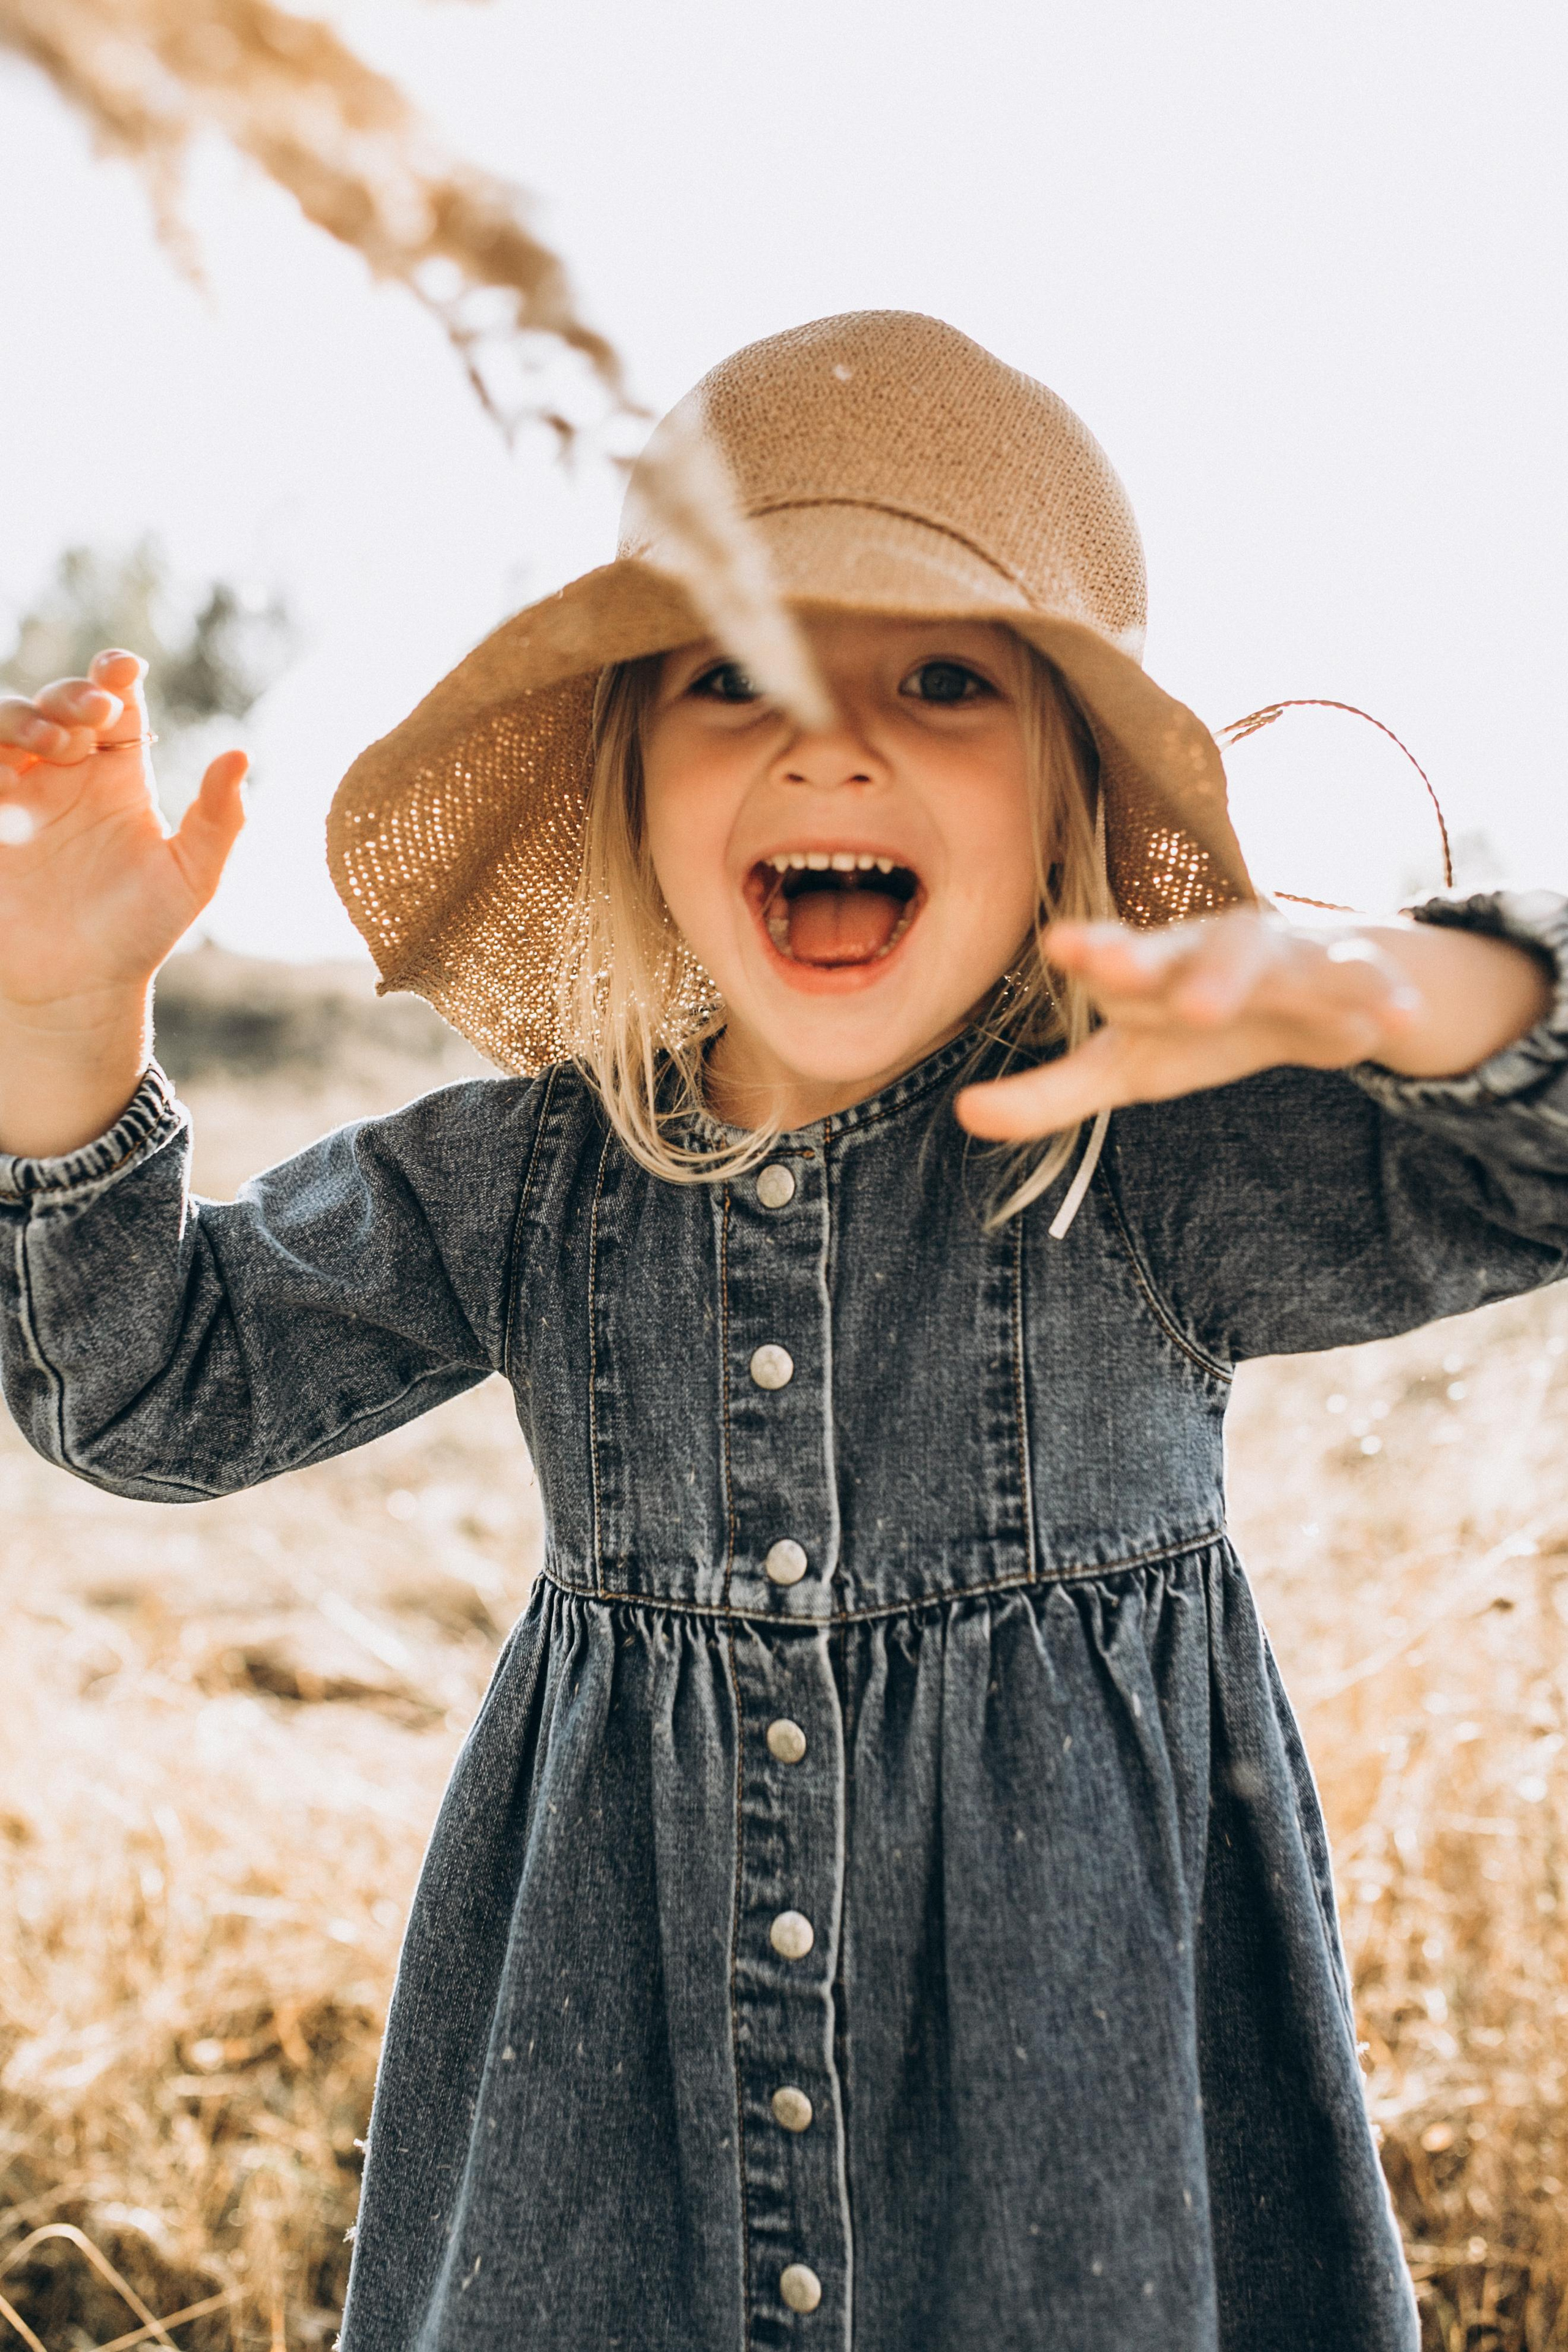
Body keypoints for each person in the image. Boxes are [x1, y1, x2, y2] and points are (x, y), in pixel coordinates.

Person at [1, 312, 1563, 2352]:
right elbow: (149, 1389)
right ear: (634, 777)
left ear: (1067, 793)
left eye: (944, 680)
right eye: (737, 675)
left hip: (1079, 2144)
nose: (832, 744)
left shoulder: (1146, 1153)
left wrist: (1388, 984)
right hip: (608, 2129)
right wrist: (66, 1021)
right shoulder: (529, 1177)